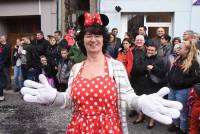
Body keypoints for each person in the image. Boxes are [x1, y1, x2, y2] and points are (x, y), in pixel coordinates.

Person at [21, 12, 182, 134]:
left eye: (97, 35)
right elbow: (70, 99)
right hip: (78, 128)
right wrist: (55, 97)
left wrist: (140, 102)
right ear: (82, 40)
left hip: (108, 128)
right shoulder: (77, 68)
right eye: (88, 35)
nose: (93, 39)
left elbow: (126, 96)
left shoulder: (115, 66)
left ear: (104, 39)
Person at [167, 41, 200, 134]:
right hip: (172, 88)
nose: (178, 49)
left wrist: (181, 82)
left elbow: (196, 78)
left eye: (180, 48)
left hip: (183, 90)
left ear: (187, 50)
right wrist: (170, 79)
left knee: (182, 110)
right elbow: (172, 71)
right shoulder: (178, 58)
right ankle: (176, 124)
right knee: (173, 108)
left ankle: (183, 128)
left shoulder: (193, 63)